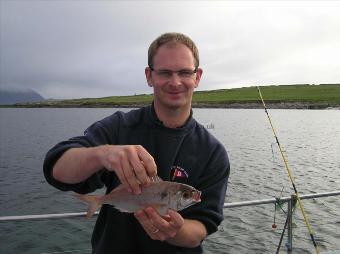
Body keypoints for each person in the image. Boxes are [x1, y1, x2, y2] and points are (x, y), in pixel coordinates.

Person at [43, 32, 230, 254]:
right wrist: (103, 154)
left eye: (184, 72)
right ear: (149, 76)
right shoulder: (119, 127)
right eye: (164, 72)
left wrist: (174, 231)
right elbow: (57, 171)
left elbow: (202, 227)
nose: (175, 82)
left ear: (197, 77)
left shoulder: (213, 152)